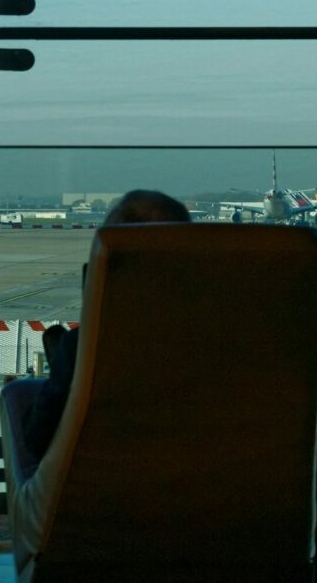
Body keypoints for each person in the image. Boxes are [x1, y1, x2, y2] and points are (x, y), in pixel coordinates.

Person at [15, 189, 191, 470]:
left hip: (104, 498)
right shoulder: (220, 342)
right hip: (206, 494)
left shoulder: (86, 346)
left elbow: (39, 439)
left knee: (18, 395)